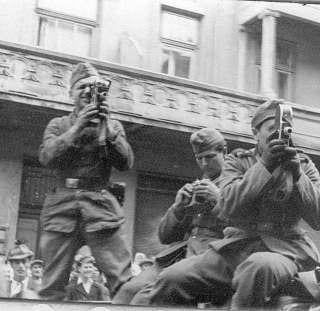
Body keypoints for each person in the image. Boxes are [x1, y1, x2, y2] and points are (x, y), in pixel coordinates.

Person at [143, 99, 320, 309]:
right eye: (272, 129)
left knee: (258, 266)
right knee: (171, 279)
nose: (280, 135)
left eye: (285, 130)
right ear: (255, 133)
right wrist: (264, 165)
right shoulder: (237, 162)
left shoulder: (303, 165)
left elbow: (317, 219)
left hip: (284, 250)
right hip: (236, 247)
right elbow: (227, 206)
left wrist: (298, 176)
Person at [38, 62, 134, 300]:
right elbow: (47, 157)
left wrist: (108, 130)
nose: (87, 92)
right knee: (51, 286)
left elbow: (126, 163)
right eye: (82, 87)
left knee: (123, 283)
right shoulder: (58, 124)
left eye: (94, 88)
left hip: (100, 209)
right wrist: (78, 127)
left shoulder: (112, 126)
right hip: (62, 208)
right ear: (70, 92)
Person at [113, 128, 227, 305]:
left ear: (224, 152)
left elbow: (242, 223)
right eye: (199, 158)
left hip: (211, 256)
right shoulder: (196, 186)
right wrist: (178, 207)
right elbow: (165, 237)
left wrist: (218, 198)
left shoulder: (237, 183)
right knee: (128, 291)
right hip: (179, 254)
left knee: (145, 300)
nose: (204, 163)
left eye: (210, 157)